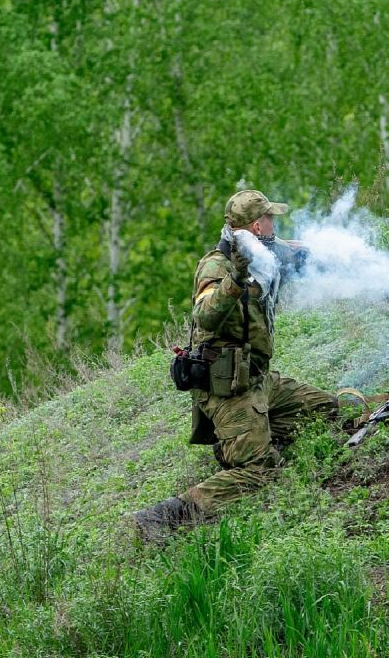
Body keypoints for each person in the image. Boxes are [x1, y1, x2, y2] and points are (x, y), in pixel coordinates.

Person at [133, 190, 338, 534]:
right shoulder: (218, 266)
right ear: (257, 226)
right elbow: (205, 314)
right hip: (228, 391)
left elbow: (297, 251)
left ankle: (247, 441)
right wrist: (236, 281)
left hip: (259, 380)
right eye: (271, 217)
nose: (275, 223)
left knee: (328, 410)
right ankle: (163, 518)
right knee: (260, 472)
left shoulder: (264, 253)